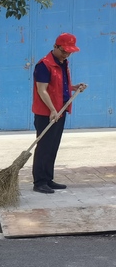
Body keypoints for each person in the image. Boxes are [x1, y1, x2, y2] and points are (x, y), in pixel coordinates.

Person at [32, 33, 87, 194]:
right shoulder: (43, 65)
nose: (66, 54)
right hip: (47, 113)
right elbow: (42, 90)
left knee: (53, 146)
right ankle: (39, 182)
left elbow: (58, 87)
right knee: (44, 146)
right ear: (55, 47)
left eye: (69, 52)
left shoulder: (63, 63)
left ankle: (48, 179)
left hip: (59, 111)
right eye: (64, 51)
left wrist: (74, 87)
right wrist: (52, 110)